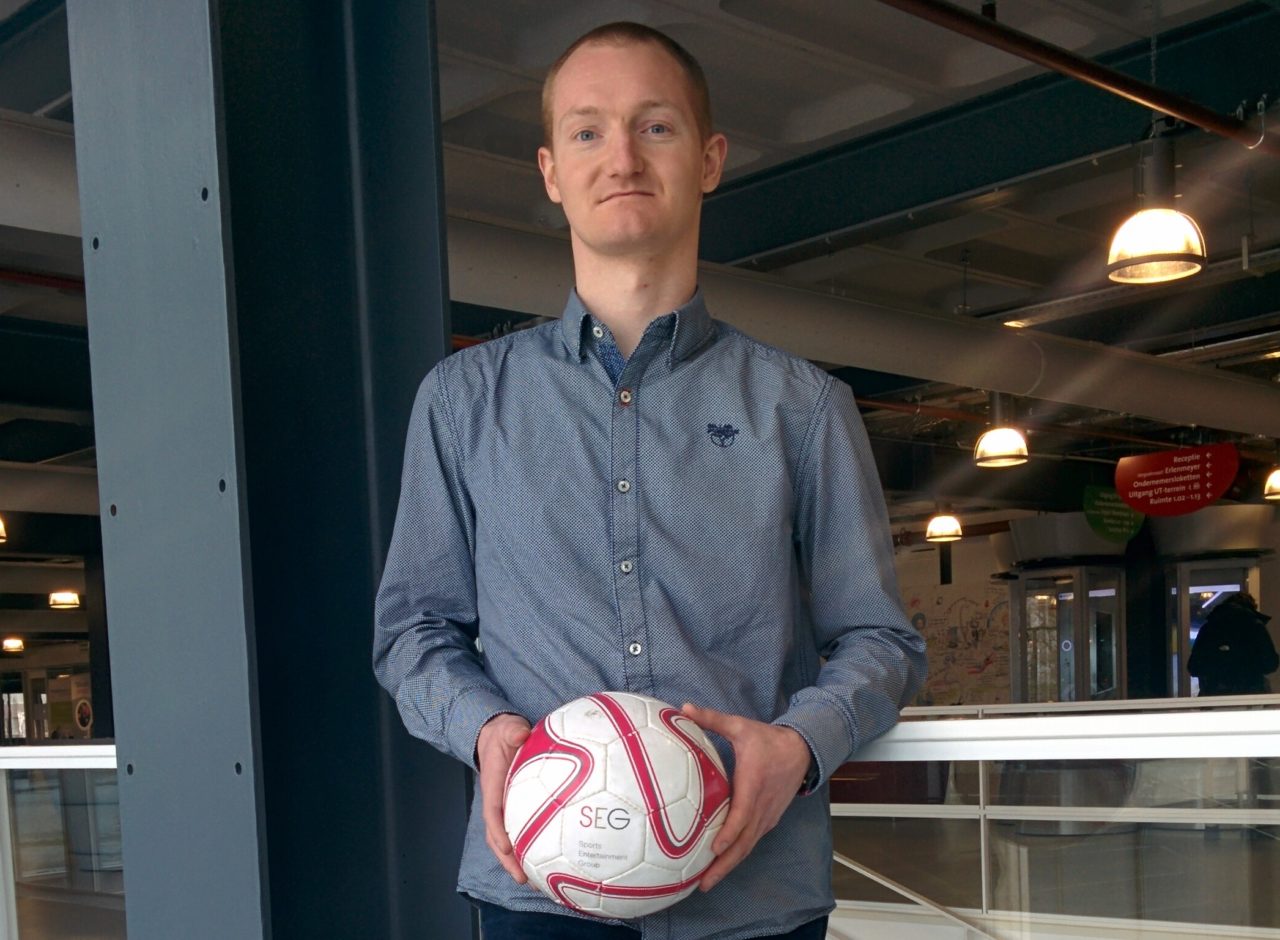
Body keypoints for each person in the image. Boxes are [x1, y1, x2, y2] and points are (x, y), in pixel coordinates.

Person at [373, 21, 926, 940]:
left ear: (709, 158)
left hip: (752, 896)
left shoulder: (803, 407)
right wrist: (486, 730)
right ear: (551, 172)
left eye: (655, 126)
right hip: (541, 893)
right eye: (588, 131)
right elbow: (411, 630)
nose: (621, 155)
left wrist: (797, 745)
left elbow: (880, 640)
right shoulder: (463, 402)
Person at [1188, 592, 1278, 696]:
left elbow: (1194, 667)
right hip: (1251, 694)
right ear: (1251, 607)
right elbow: (1270, 664)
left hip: (1214, 695)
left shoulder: (1209, 627)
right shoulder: (1256, 626)